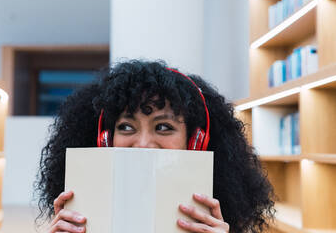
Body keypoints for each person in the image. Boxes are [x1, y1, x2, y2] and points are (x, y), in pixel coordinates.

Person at [34, 60, 275, 233]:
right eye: (127, 127)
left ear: (195, 142)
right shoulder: (83, 219)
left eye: (163, 127)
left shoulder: (215, 225)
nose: (143, 144)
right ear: (105, 140)